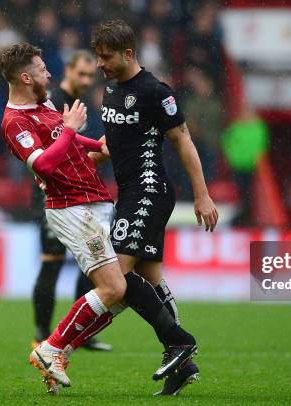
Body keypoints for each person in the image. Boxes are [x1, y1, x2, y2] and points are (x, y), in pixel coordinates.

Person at [0, 42, 198, 395]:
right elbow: (44, 163)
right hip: (70, 209)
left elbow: (70, 145)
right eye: (43, 69)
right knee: (114, 286)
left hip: (94, 201)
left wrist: (96, 145)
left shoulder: (43, 104)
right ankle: (54, 346)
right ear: (26, 77)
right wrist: (72, 130)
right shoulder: (14, 121)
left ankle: (174, 348)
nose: (49, 73)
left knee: (125, 285)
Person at [91, 20, 219, 395]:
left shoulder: (154, 91)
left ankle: (178, 340)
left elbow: (183, 139)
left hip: (149, 191)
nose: (101, 64)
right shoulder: (111, 91)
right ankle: (182, 360)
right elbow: (111, 143)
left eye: (107, 57)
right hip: (129, 192)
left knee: (115, 276)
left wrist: (202, 194)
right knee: (148, 277)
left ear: (128, 54)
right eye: (98, 57)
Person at [31, 49, 111, 352]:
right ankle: (41, 333)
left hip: (79, 192)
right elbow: (50, 158)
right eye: (82, 73)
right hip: (52, 193)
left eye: (91, 75)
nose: (87, 80)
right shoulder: (52, 101)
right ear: (68, 70)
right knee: (51, 263)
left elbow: (78, 156)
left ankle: (83, 332)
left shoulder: (86, 103)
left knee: (91, 264)